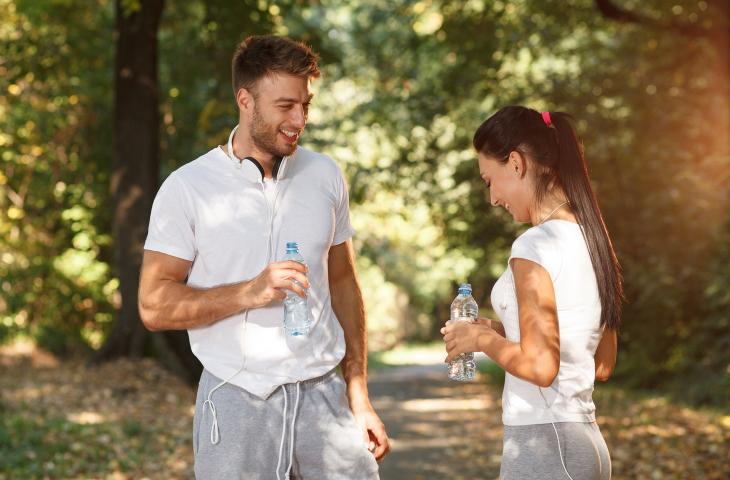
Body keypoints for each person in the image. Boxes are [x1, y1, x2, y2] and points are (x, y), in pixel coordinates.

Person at [138, 35, 389, 480]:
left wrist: (359, 393)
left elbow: (345, 284)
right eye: (286, 106)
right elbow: (154, 306)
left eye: (306, 105)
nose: (300, 120)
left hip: (324, 396)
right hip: (237, 397)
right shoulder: (188, 188)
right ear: (245, 100)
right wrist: (249, 292)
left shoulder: (325, 174)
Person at [442, 106, 622, 480]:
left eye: (489, 180)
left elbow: (541, 367)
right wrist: (498, 330)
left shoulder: (534, 246)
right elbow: (600, 361)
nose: (492, 198)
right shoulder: (593, 239)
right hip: (587, 447)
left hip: (545, 446)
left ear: (516, 163)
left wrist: (480, 339)